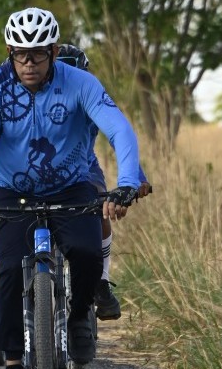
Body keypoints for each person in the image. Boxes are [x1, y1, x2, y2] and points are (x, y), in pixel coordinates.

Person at [0, 7, 141, 369]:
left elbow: (119, 129)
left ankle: (80, 315)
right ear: (10, 52)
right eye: (21, 54)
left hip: (71, 189)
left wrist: (126, 184)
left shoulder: (80, 83)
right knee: (7, 273)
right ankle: (14, 365)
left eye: (37, 54)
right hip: (11, 192)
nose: (29, 63)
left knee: (87, 253)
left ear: (53, 51)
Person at [55, 43, 152, 320]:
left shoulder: (89, 95)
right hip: (41, 174)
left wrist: (137, 176)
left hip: (84, 169)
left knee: (99, 208)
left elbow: (116, 135)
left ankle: (102, 281)